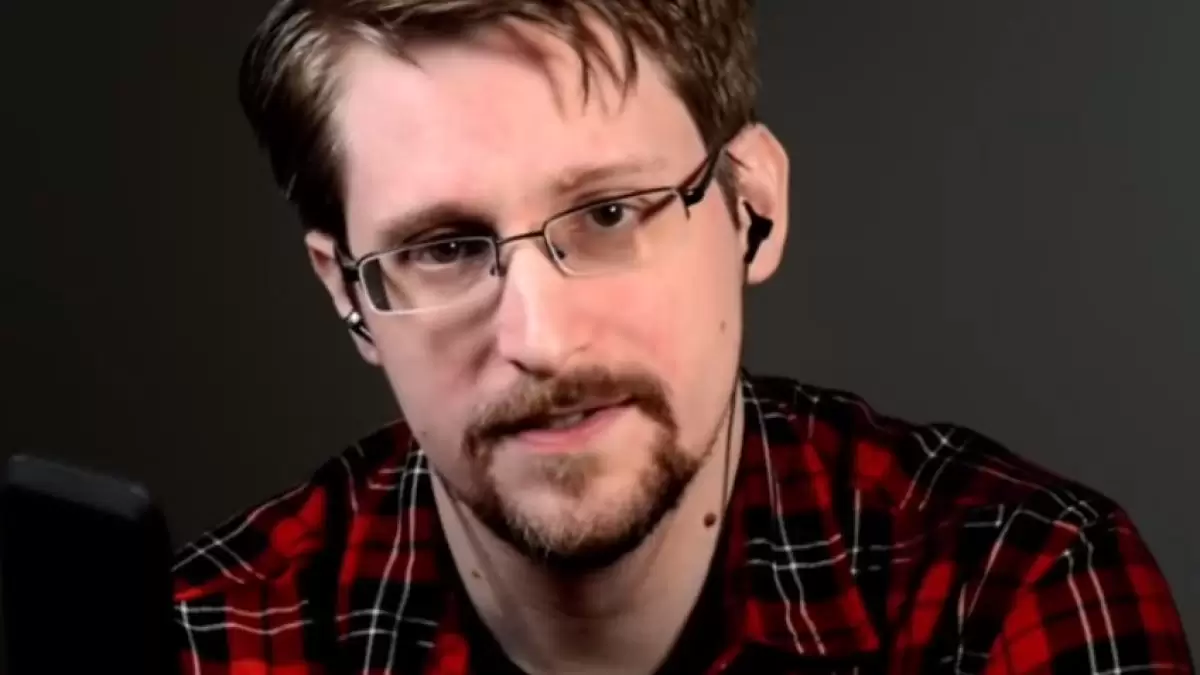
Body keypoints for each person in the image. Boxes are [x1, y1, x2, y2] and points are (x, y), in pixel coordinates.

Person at [171, 1, 1193, 673]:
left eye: (610, 213)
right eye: (442, 248)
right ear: (347, 291)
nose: (541, 338)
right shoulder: (201, 641)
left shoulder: (1016, 588)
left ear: (754, 207)